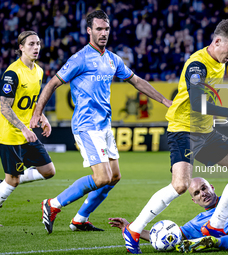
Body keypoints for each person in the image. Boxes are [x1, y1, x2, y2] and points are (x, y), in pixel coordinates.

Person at [30, 10, 171, 234]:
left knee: (114, 177)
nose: (103, 33)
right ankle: (53, 204)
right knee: (102, 177)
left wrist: (165, 100)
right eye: (98, 29)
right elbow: (52, 84)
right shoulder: (79, 58)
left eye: (106, 29)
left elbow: (136, 81)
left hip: (104, 126)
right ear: (89, 31)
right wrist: (38, 112)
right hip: (86, 126)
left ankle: (79, 219)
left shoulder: (113, 59)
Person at [122, 19, 228, 254]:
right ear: (217, 41)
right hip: (183, 129)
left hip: (205, 131)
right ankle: (133, 230)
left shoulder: (219, 62)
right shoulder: (197, 65)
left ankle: (215, 226)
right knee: (181, 185)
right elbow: (197, 103)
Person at [0, 31, 55, 209]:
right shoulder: (12, 73)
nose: (36, 47)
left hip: (27, 134)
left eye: (38, 43)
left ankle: (7, 180)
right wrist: (23, 128)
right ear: (21, 47)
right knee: (13, 181)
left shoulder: (38, 71)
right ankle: (8, 181)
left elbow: (32, 102)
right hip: (10, 134)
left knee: (48, 171)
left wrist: (42, 118)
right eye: (31, 44)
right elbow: (3, 106)